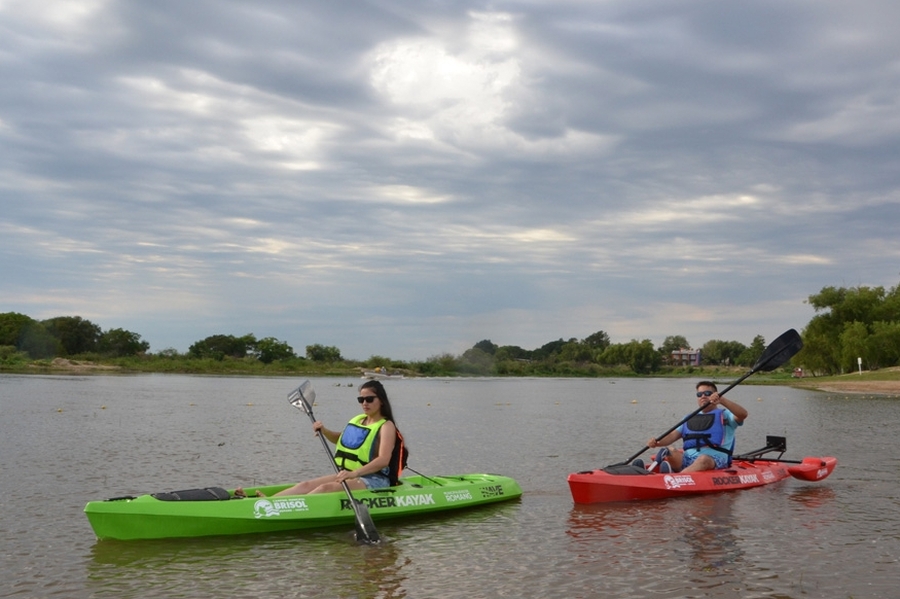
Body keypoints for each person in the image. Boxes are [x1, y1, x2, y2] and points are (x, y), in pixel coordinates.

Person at [236, 380, 406, 498]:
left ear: (381, 401)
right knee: (306, 485)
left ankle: (286, 507)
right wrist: (324, 431)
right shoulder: (359, 420)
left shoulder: (386, 426)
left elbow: (383, 460)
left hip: (375, 480)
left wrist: (354, 473)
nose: (364, 403)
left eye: (369, 399)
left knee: (325, 488)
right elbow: (341, 439)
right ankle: (265, 502)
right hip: (351, 475)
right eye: (361, 399)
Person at [641, 381, 748, 473]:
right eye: (699, 394)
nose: (703, 396)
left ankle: (677, 477)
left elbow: (743, 414)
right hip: (688, 459)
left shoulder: (725, 415)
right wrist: (657, 442)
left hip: (714, 460)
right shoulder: (690, 417)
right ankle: (646, 472)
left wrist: (723, 400)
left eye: (707, 393)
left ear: (715, 395)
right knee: (669, 450)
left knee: (703, 459)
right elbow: (671, 436)